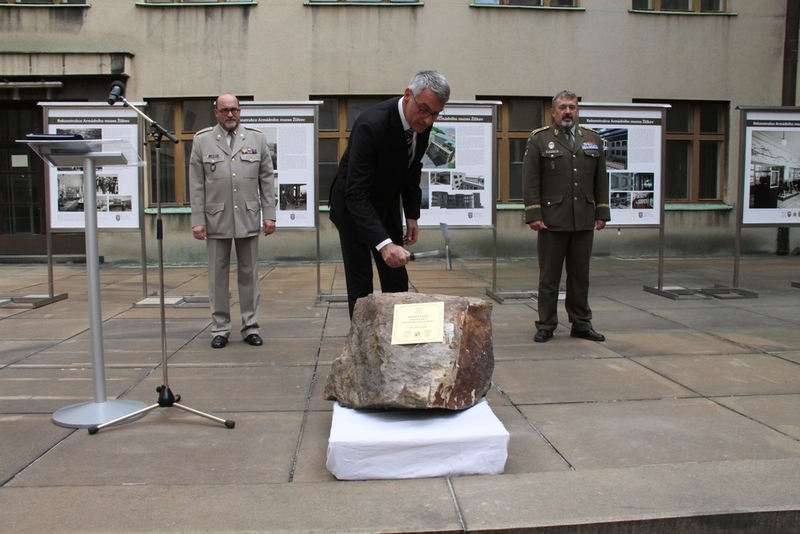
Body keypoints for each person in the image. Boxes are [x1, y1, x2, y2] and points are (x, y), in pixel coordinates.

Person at [329, 71, 450, 318]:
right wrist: (384, 245)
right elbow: (356, 192)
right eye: (424, 110)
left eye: (436, 114)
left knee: (396, 276)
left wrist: (412, 215)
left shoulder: (422, 125)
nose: (428, 120)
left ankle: (398, 339)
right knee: (361, 283)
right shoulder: (371, 125)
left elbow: (412, 168)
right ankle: (362, 344)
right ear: (408, 95)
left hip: (385, 205)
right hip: (353, 208)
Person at [522, 90, 610, 343]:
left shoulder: (592, 139)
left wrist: (601, 211)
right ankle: (547, 324)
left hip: (583, 218)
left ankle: (581, 323)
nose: (568, 111)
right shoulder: (539, 139)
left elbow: (600, 179)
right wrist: (533, 214)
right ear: (553, 111)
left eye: (572, 106)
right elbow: (530, 181)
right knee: (549, 277)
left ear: (577, 110)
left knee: (580, 277)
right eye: (562, 107)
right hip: (552, 220)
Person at [189, 93, 276, 348]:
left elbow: (266, 179)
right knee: (218, 277)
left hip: (247, 216)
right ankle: (220, 328)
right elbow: (196, 184)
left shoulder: (256, 138)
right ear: (216, 112)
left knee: (249, 275)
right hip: (216, 218)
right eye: (225, 110)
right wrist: (197, 220)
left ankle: (250, 326)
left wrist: (269, 215)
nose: (230, 115)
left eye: (235, 110)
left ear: (240, 111)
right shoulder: (203, 140)